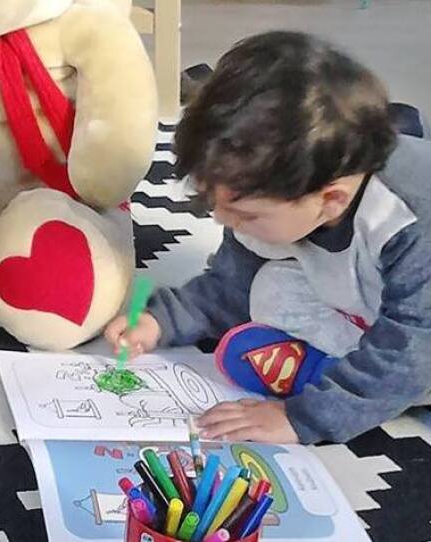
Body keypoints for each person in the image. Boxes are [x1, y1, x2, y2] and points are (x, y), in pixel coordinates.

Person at [106, 31, 431, 445]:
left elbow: (413, 343)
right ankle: (343, 365)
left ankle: (358, 381)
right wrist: (159, 321)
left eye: (244, 214)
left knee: (405, 360)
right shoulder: (288, 194)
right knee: (267, 287)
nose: (223, 221)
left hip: (422, 329)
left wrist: (303, 418)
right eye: (213, 204)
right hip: (377, 299)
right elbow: (230, 283)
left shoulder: (405, 217)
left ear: (330, 199)